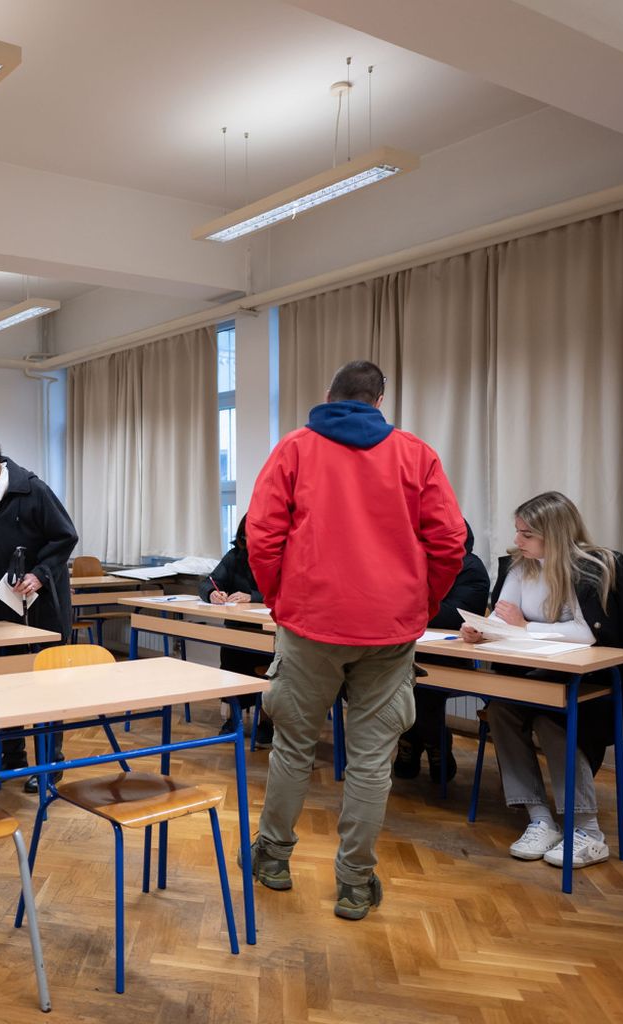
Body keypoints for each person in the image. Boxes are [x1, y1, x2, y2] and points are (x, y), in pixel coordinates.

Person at [245, 360, 465, 920]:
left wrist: (280, 599)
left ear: (329, 394)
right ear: (379, 401)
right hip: (388, 630)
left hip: (310, 623)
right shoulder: (416, 455)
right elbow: (449, 543)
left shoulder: (294, 449)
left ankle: (273, 858)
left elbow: (262, 536)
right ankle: (355, 882)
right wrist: (420, 604)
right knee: (372, 759)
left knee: (293, 746)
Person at [460, 491, 623, 869]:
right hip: (535, 673)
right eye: (517, 531)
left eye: (527, 534)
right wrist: (481, 630)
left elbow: (586, 633)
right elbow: (503, 618)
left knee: (552, 716)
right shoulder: (520, 565)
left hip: (595, 682)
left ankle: (587, 830)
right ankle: (540, 818)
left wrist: (525, 626)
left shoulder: (596, 567)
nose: (517, 540)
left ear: (554, 534)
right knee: (501, 710)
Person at [0, 435, 78, 793]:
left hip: (44, 607)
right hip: (0, 610)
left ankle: (50, 765)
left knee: (47, 686)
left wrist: (39, 573)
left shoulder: (33, 491)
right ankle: (12, 759)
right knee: (4, 683)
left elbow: (65, 537)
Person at [393, 521, 490, 783]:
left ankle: (432, 743)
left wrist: (406, 606)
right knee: (380, 679)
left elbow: (453, 616)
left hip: (450, 657)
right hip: (408, 651)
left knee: (421, 687)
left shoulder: (471, 568)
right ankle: (417, 741)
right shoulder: (412, 564)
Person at [198, 514, 274, 745]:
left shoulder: (277, 557)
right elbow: (208, 582)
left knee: (269, 669)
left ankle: (266, 723)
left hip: (267, 630)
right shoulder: (235, 557)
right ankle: (233, 719)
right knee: (231, 662)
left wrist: (253, 597)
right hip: (238, 628)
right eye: (245, 536)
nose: (250, 542)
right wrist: (212, 593)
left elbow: (285, 590)